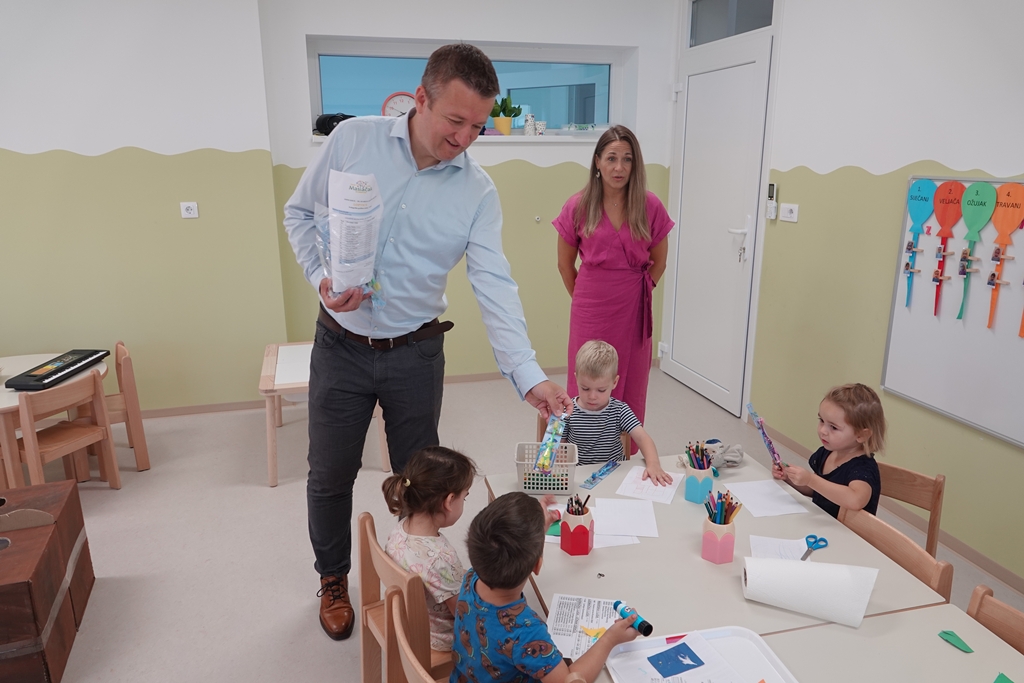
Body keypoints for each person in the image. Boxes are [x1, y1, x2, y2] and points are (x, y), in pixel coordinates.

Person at [282, 43, 572, 640]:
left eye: (478, 127)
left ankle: (418, 582)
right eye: (455, 121)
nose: (465, 139)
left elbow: (495, 286)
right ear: (421, 99)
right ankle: (333, 578)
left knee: (425, 488)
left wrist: (528, 375)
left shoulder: (478, 192)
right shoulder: (352, 141)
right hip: (340, 343)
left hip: (415, 353)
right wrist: (320, 278)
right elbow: (299, 215)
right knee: (330, 474)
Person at [553, 126, 674, 452]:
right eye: (611, 158)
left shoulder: (650, 205)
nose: (619, 167)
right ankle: (577, 452)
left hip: (634, 308)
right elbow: (565, 265)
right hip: (590, 306)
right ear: (597, 162)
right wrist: (586, 299)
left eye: (627, 159)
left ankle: (624, 457)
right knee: (587, 382)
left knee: (629, 384)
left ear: (636, 164)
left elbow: (660, 261)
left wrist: (639, 292)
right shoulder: (578, 206)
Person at [451, 492, 639, 683]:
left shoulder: (471, 577)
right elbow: (566, 680)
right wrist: (610, 639)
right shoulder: (526, 632)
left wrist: (538, 527)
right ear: (537, 566)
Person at [381, 446, 477, 651]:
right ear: (449, 501)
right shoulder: (441, 558)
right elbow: (462, 615)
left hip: (405, 619)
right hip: (437, 637)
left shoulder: (401, 529)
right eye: (464, 497)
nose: (464, 501)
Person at [563, 341, 671, 484]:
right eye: (585, 388)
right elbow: (558, 445)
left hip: (614, 474)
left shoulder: (619, 410)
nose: (592, 396)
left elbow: (642, 438)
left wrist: (654, 464)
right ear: (576, 378)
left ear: (614, 382)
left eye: (601, 390)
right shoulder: (568, 411)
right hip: (579, 476)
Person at [773, 384, 885, 518]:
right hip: (823, 523)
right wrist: (790, 478)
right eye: (821, 420)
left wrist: (811, 479)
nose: (823, 431)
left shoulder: (863, 468)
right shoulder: (827, 453)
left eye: (833, 427)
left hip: (846, 530)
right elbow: (818, 491)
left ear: (861, 435)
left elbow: (855, 500)